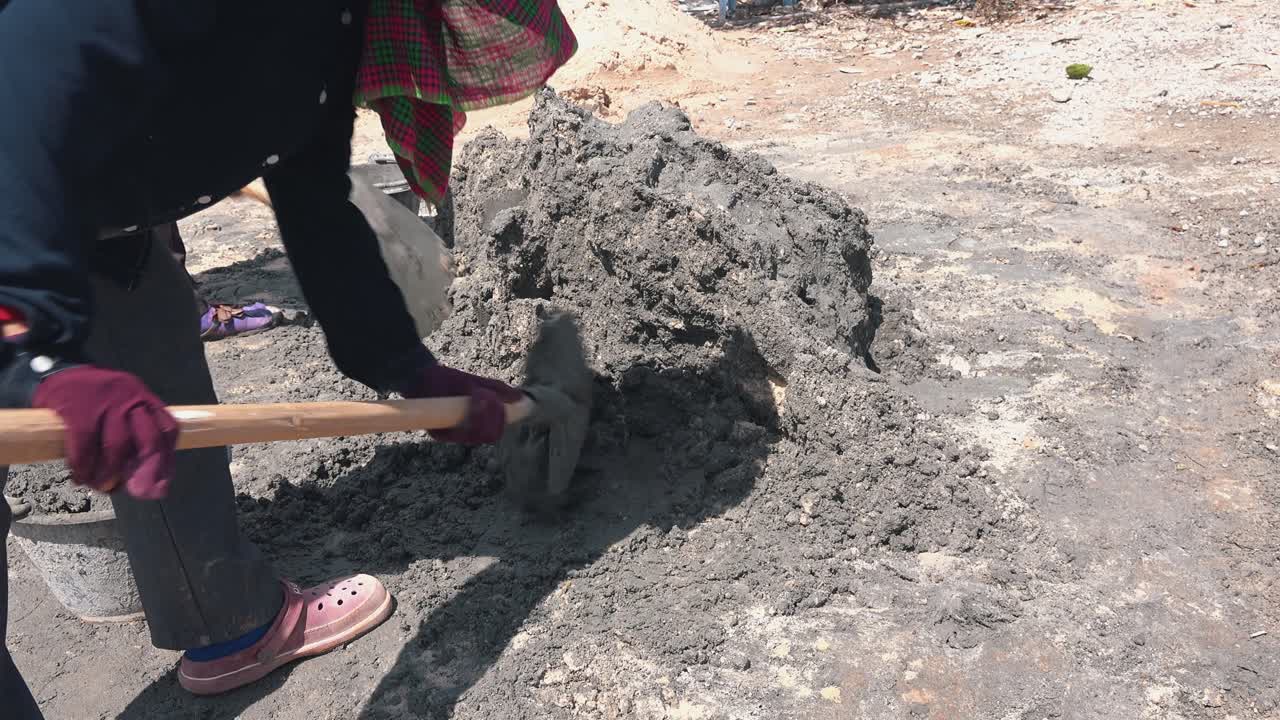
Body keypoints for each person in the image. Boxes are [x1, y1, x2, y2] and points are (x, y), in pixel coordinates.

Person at [0, 0, 576, 715]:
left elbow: (314, 194)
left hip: (87, 201)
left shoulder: (321, 25)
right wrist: (39, 355)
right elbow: (20, 88)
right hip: (14, 177)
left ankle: (230, 626)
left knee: (150, 339)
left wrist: (403, 365)